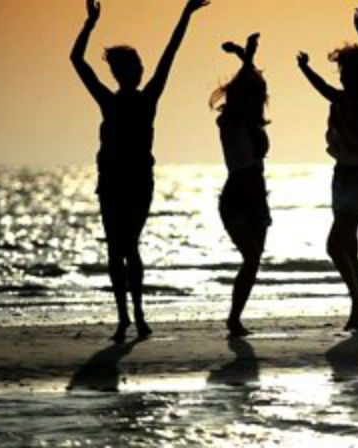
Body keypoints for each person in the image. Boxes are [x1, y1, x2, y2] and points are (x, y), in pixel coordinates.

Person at [70, 0, 209, 343]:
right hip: (116, 184)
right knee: (120, 249)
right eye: (137, 66)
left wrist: (185, 16)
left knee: (125, 246)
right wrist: (89, 24)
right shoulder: (119, 100)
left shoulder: (139, 100)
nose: (143, 69)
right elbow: (77, 61)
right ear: (126, 72)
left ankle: (136, 317)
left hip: (132, 184)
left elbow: (170, 53)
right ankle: (126, 318)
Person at [297, 4, 358, 330]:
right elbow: (323, 90)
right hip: (342, 177)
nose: (343, 76)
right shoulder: (341, 98)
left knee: (335, 245)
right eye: (341, 72)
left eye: (347, 71)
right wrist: (305, 70)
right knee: (348, 244)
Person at [210, 33, 271, 338]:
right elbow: (246, 87)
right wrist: (246, 56)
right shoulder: (230, 121)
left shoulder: (253, 121)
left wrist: (246, 57)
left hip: (257, 192)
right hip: (237, 192)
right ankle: (233, 319)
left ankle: (235, 319)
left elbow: (252, 86)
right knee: (251, 257)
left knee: (254, 258)